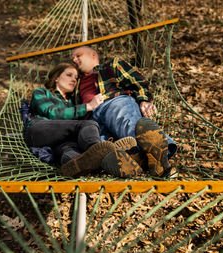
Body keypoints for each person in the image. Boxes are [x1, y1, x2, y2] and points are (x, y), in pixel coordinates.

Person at [71, 46, 177, 177]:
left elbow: (137, 80)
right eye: (73, 58)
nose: (74, 59)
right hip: (90, 118)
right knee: (101, 147)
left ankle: (160, 152)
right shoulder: (76, 82)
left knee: (125, 121)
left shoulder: (111, 65)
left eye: (78, 55)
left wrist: (144, 99)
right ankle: (137, 160)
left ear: (93, 54)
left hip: (113, 101)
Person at [24, 62, 142, 178]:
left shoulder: (72, 102)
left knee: (70, 152)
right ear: (56, 78)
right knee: (88, 124)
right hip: (39, 130)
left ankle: (76, 165)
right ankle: (101, 152)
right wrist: (88, 106)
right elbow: (51, 112)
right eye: (69, 75)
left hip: (61, 141)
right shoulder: (42, 92)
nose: (74, 80)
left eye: (76, 77)